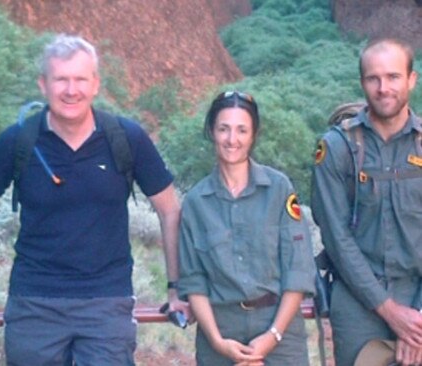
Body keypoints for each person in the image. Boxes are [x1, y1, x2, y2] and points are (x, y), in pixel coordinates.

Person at [0, 33, 190, 365]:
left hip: (107, 303)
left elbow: (170, 211)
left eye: (80, 79)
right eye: (61, 79)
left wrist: (175, 288)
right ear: (43, 84)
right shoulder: (19, 140)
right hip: (34, 304)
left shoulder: (126, 138)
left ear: (95, 84)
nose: (71, 90)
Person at [178, 90, 316, 365]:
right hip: (220, 331)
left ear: (253, 135)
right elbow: (194, 281)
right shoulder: (196, 202)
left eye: (242, 130)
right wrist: (218, 342)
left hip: (280, 329)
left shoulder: (279, 189)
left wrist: (272, 336)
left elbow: (298, 269)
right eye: (223, 129)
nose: (232, 140)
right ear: (211, 132)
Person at [311, 37, 422, 366]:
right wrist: (390, 311)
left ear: (411, 79)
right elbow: (337, 238)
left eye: (393, 77)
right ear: (362, 83)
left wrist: (415, 320)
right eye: (373, 78)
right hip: (359, 302)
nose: (383, 87)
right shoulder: (337, 148)